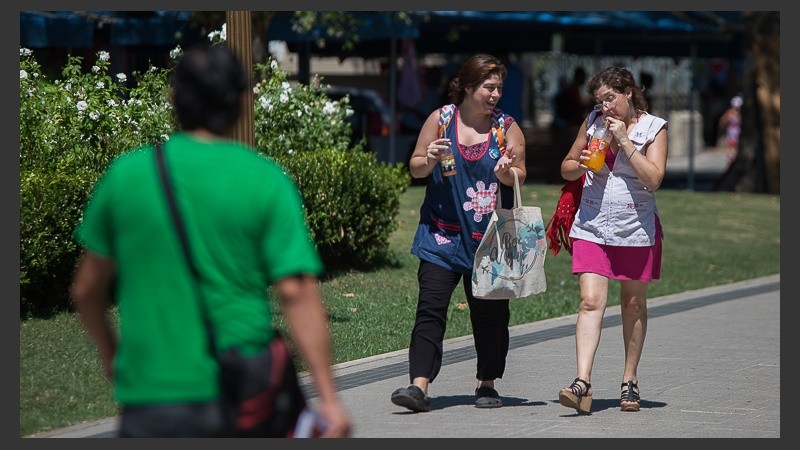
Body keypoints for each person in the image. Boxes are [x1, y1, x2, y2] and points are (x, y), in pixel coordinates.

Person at [70, 43, 352, 438]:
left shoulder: (125, 176)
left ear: (174, 98)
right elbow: (296, 293)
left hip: (151, 397)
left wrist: (112, 356)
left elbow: (86, 291)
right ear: (241, 101)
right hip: (241, 393)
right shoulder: (264, 180)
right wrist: (330, 400)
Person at [390, 53, 527, 412]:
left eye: (499, 88)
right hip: (441, 236)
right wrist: (429, 158)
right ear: (467, 87)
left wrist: (506, 172)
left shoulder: (506, 127)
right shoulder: (440, 120)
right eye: (488, 87)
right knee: (430, 307)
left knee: (490, 315)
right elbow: (416, 168)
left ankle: (487, 382)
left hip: (489, 240)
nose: (495, 94)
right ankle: (418, 385)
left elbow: (520, 174)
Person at [556, 66, 668, 414]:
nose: (604, 107)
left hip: (635, 228)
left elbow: (654, 179)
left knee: (632, 304)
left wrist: (625, 142)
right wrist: (582, 166)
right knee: (590, 301)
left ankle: (629, 379)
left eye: (610, 98)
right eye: (599, 100)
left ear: (628, 93)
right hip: (592, 225)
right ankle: (582, 382)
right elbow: (566, 166)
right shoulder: (592, 122)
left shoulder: (654, 128)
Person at [718, 95, 742, 160]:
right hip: (731, 131)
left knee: (736, 146)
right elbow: (722, 121)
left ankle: (734, 157)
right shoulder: (729, 112)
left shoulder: (740, 114)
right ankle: (731, 157)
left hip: (738, 131)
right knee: (731, 145)